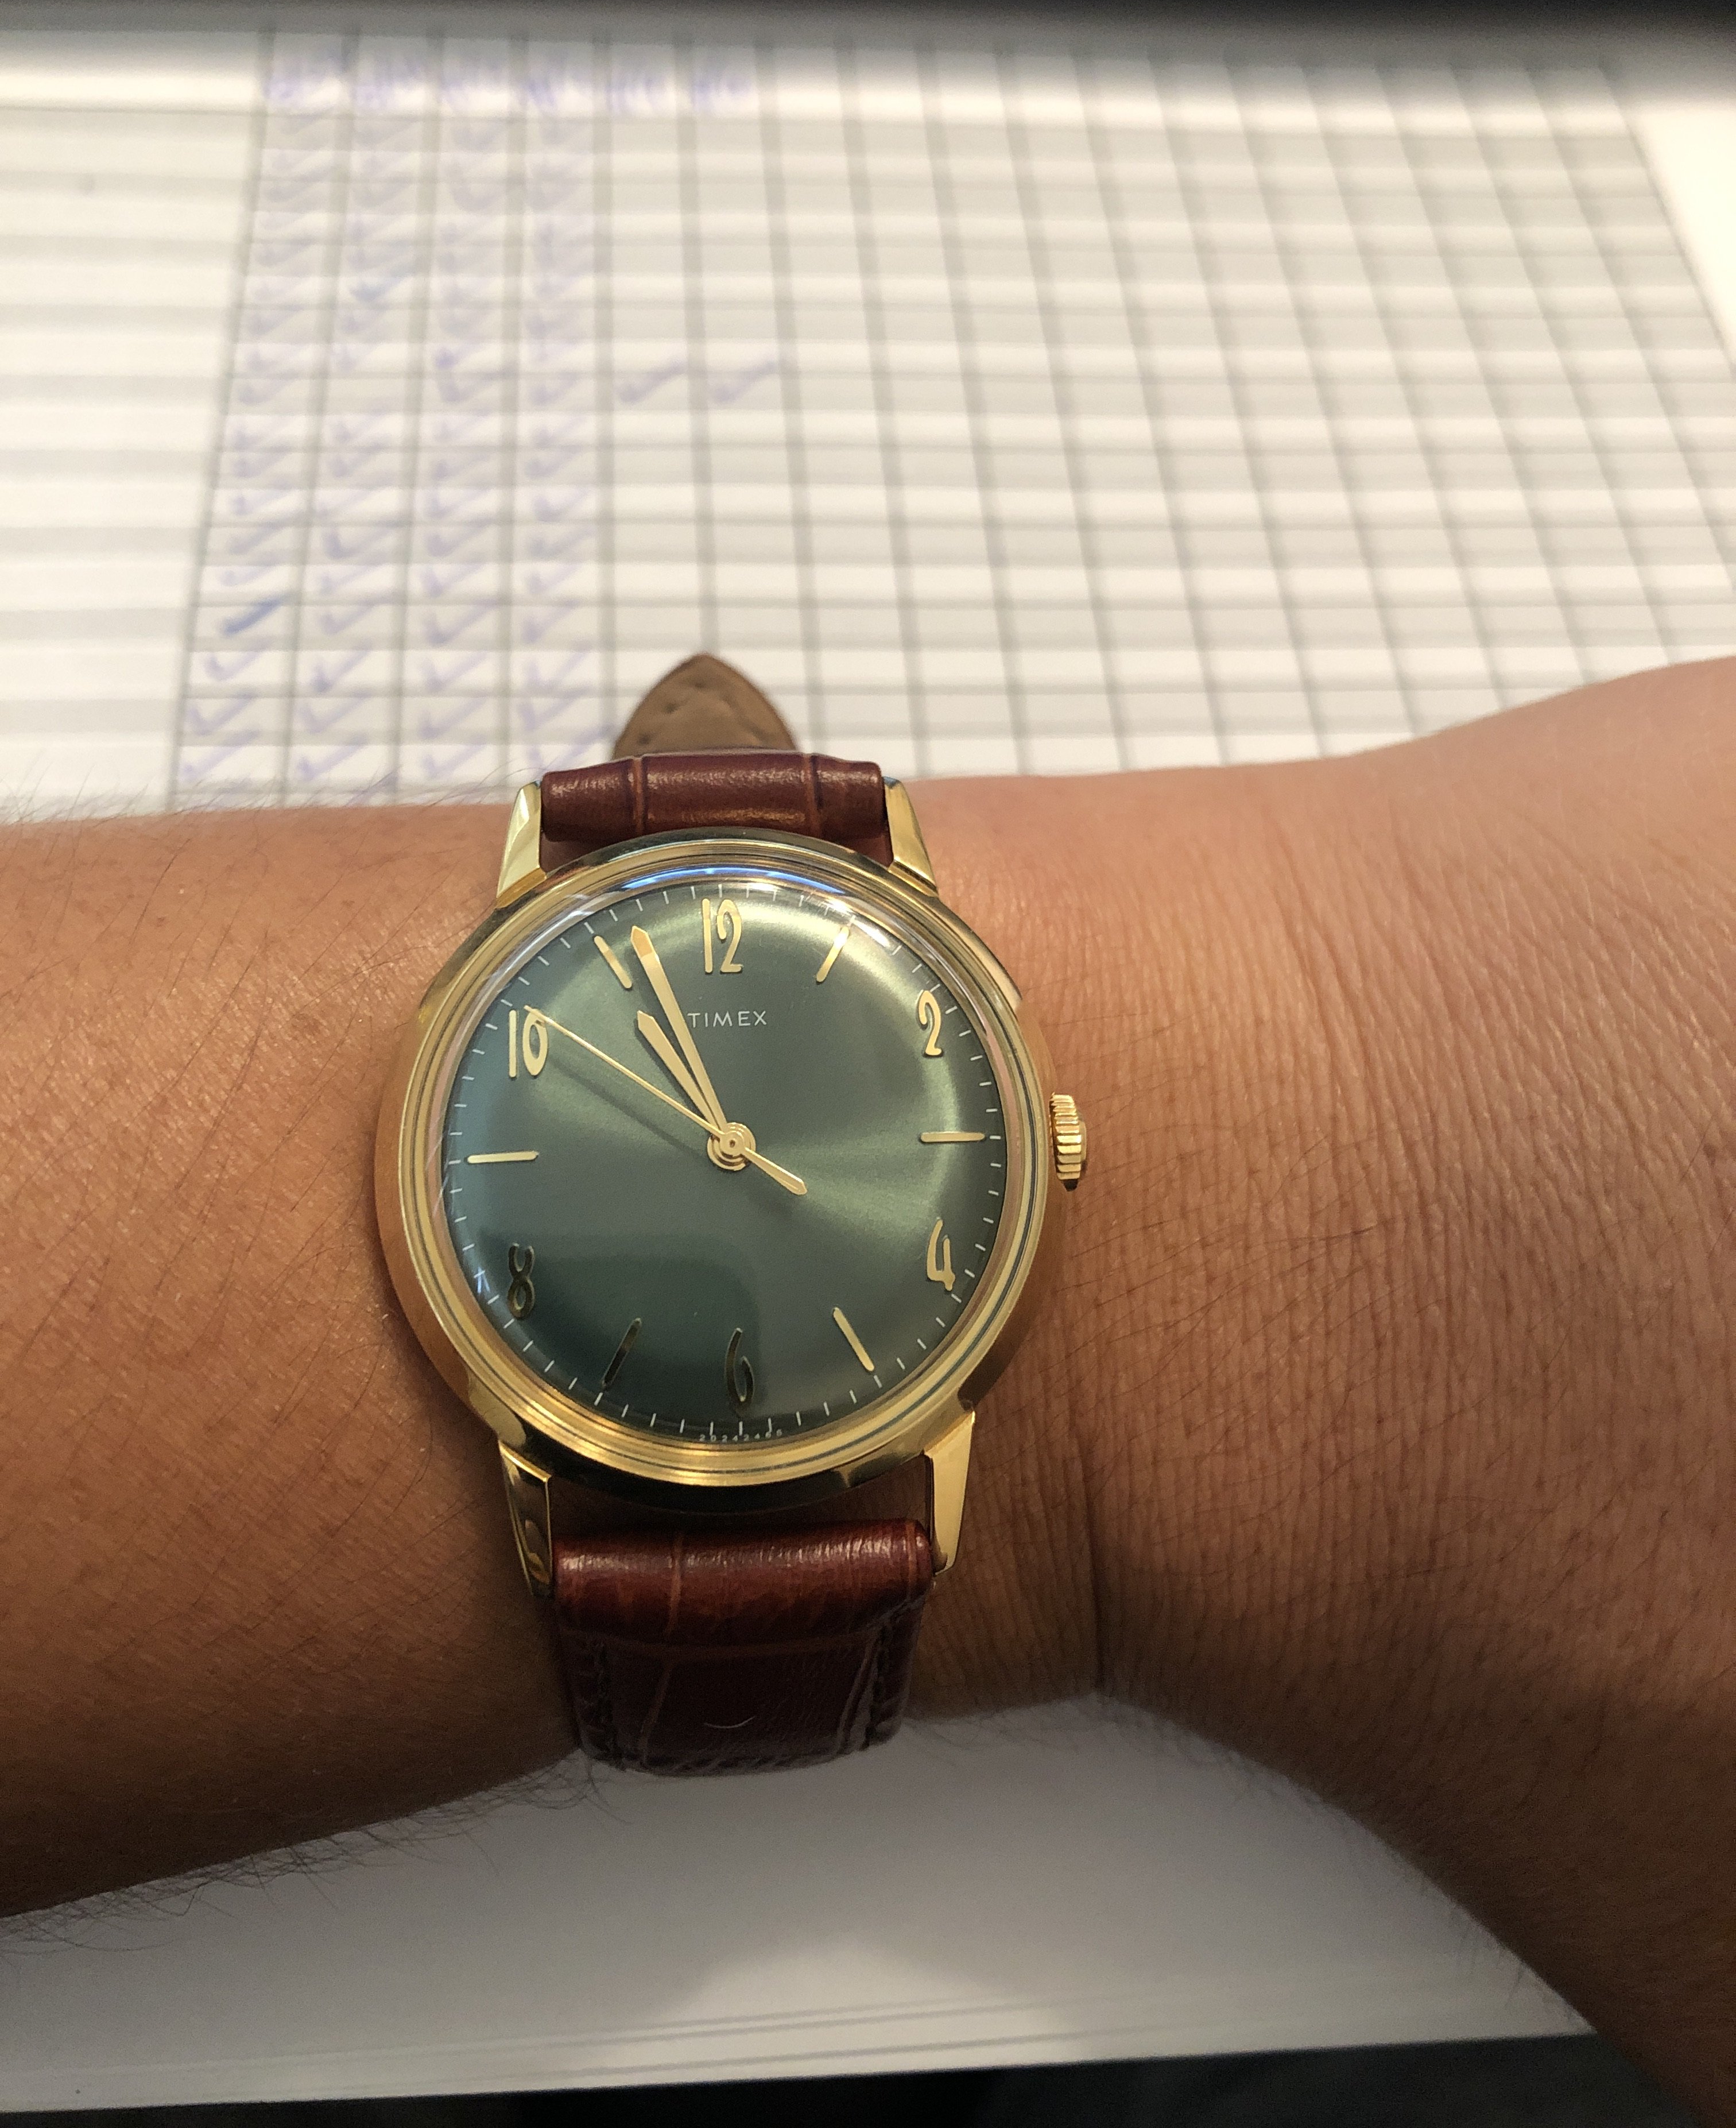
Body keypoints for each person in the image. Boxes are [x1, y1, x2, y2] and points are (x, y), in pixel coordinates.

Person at [1, 657, 1730, 2123]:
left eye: (752, 1146)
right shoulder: (517, 1084)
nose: (739, 1152)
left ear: (1047, 1145)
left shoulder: (835, 1117)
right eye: (728, 1146)